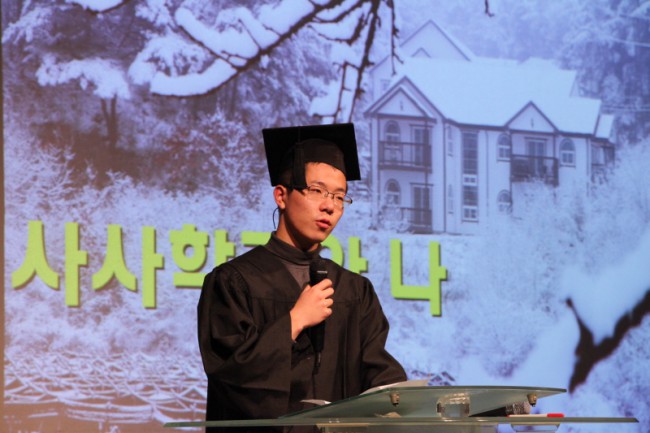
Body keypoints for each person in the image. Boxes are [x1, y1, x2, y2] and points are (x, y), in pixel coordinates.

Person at [197, 123, 406, 431]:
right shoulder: (233, 282)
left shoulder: (354, 290)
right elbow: (230, 377)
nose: (329, 206)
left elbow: (378, 373)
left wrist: (401, 403)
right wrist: (294, 322)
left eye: (339, 197)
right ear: (281, 196)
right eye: (317, 191)